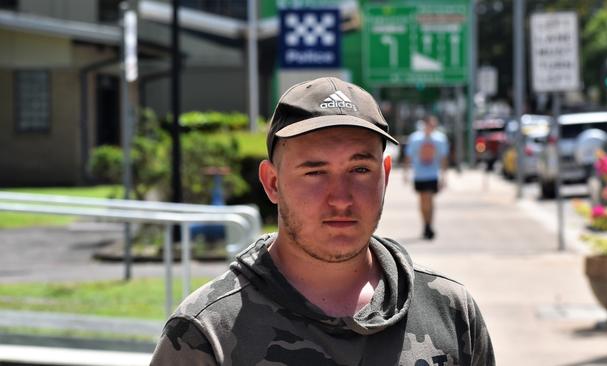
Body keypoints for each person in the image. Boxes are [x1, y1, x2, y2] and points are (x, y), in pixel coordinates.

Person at [150, 77, 494, 365]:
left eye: (360, 169)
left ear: (385, 177)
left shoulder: (450, 311)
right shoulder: (206, 334)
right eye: (314, 172)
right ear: (272, 182)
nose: (341, 197)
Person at [404, 115, 449, 240]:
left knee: (429, 198)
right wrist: (406, 173)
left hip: (433, 174)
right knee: (423, 199)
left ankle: (429, 225)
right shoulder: (415, 138)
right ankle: (425, 224)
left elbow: (443, 158)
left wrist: (444, 176)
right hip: (419, 174)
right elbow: (408, 156)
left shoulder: (440, 139)